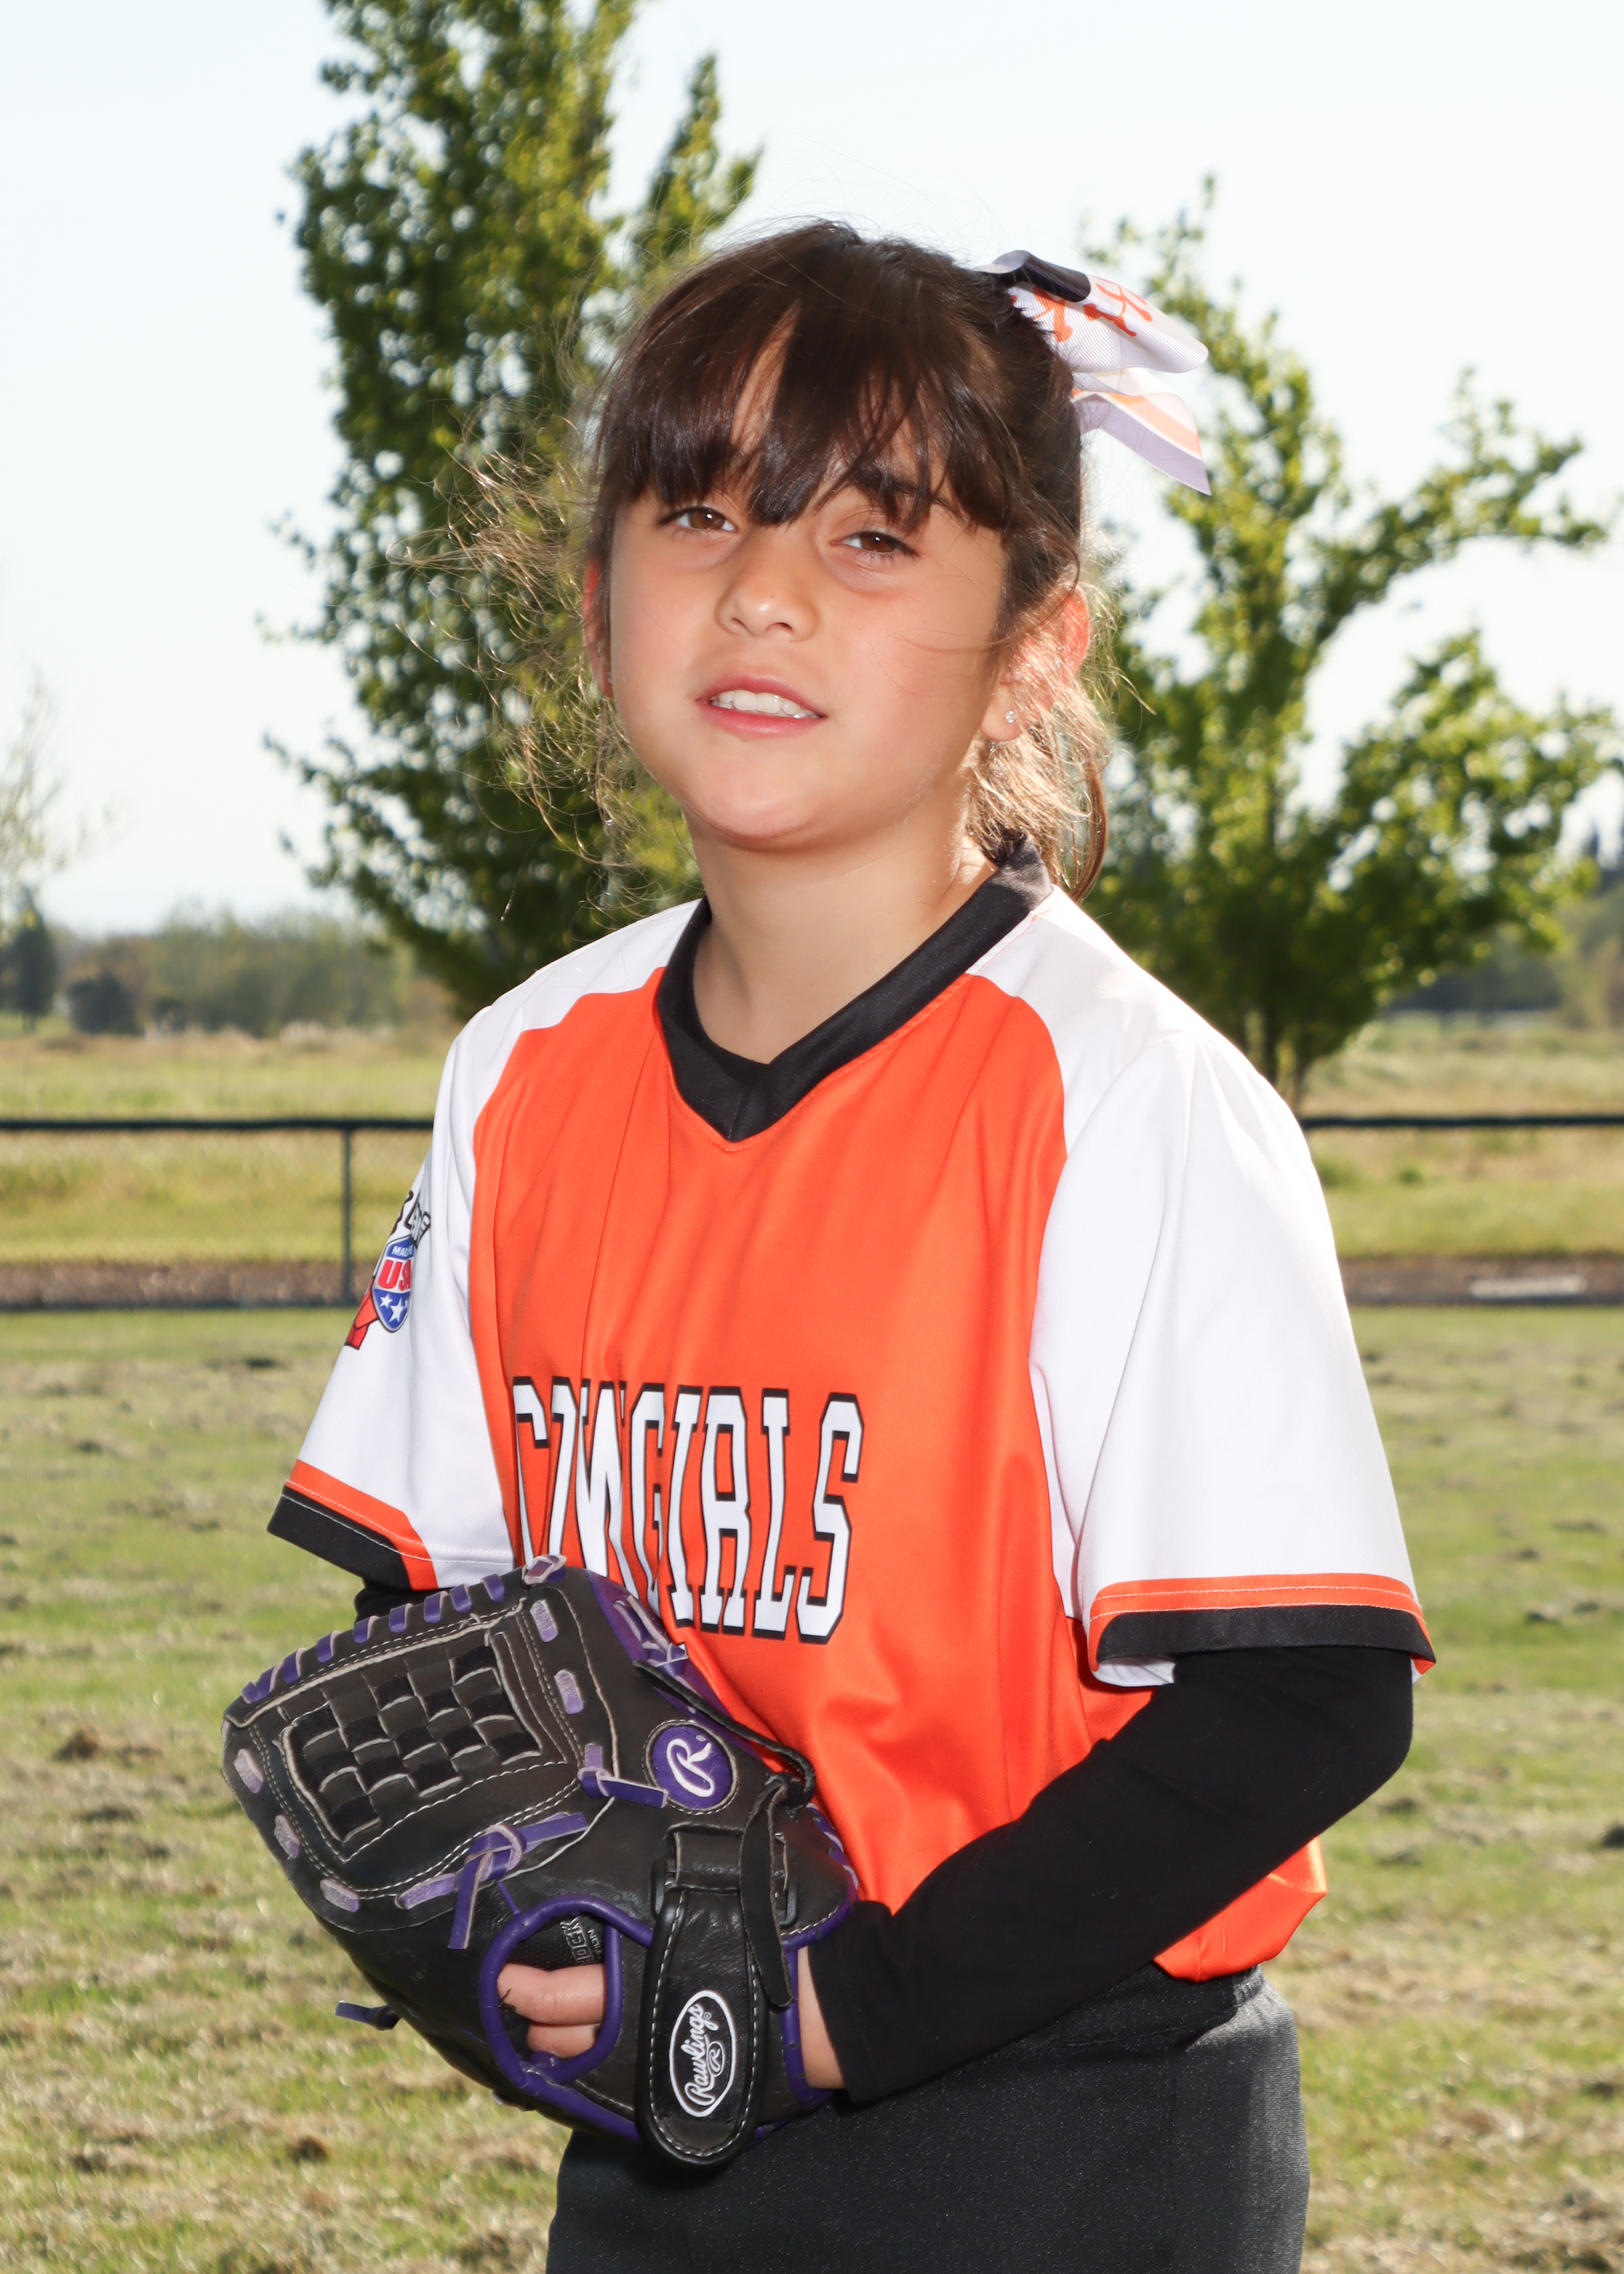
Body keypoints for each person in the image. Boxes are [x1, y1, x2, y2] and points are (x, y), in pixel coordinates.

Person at [269, 225, 1430, 2272]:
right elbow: (432, 1600)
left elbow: (1303, 1704)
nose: (765, 588)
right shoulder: (524, 1064)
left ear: (1035, 643)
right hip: (668, 2122)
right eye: (697, 510)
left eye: (875, 536)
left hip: (1067, 2131)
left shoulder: (1126, 1098)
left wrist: (823, 2011)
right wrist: (501, 1921)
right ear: (599, 597)